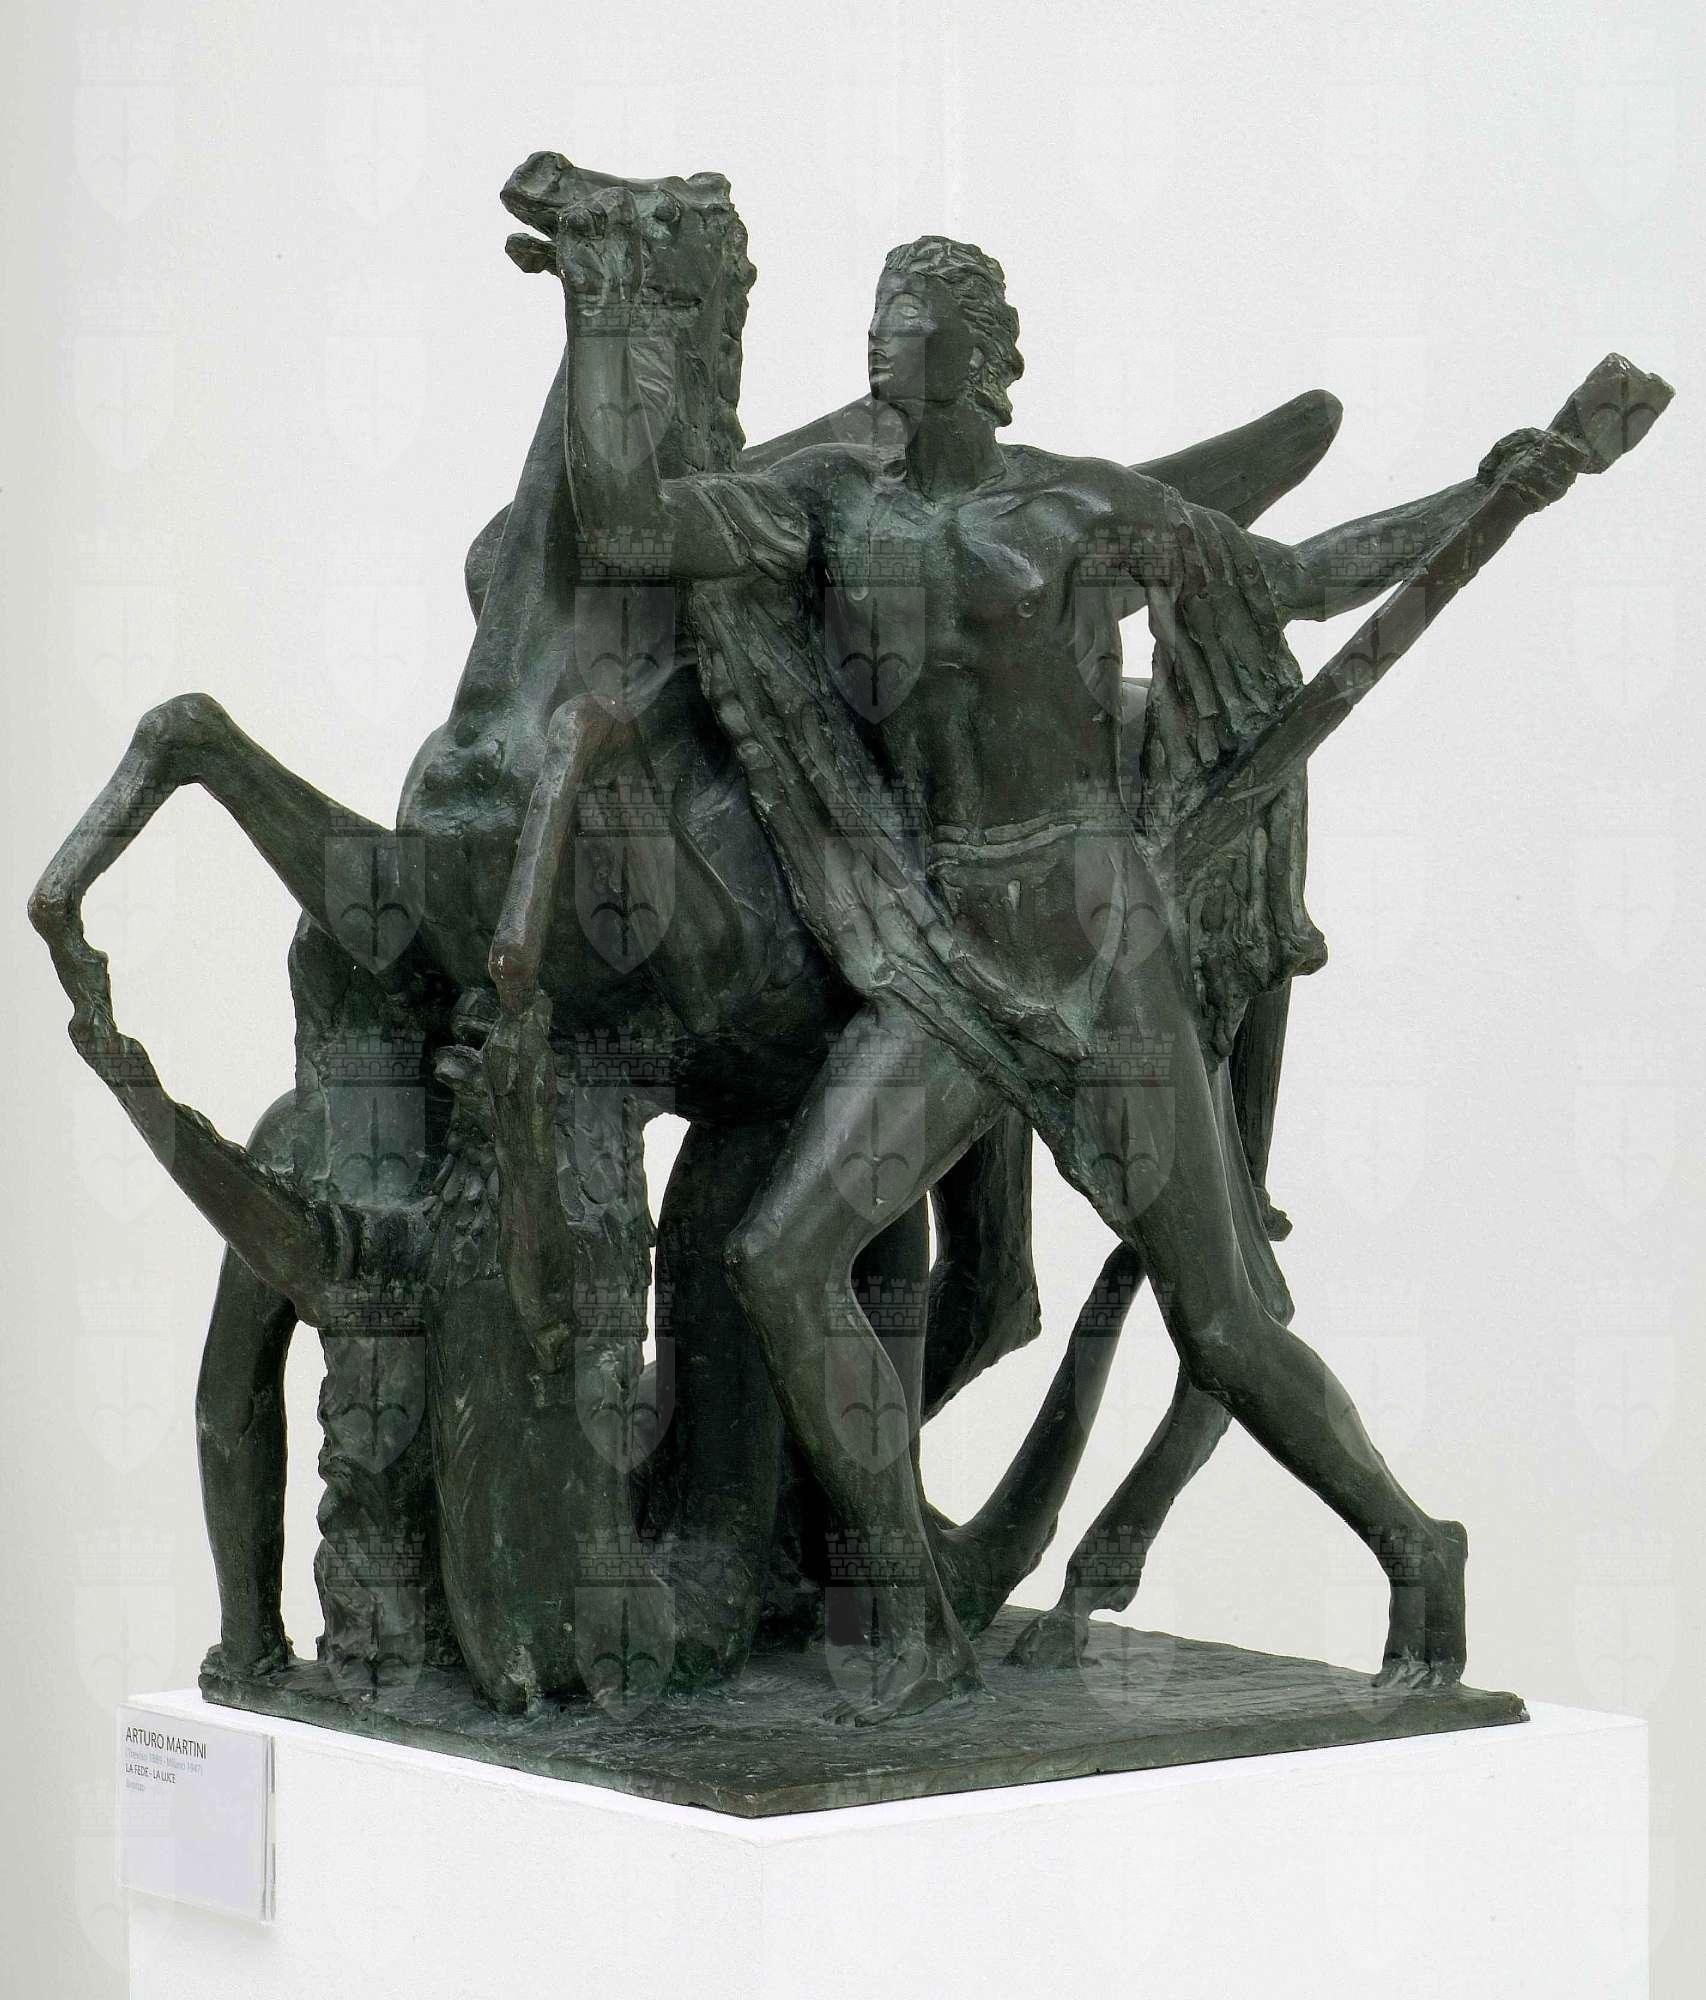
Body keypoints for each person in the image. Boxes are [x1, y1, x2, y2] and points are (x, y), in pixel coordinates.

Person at [554, 196, 1580, 1722]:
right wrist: (601, 317)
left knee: (1220, 1325)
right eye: (876, 323)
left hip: (1100, 951)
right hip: (942, 955)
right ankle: (907, 1613)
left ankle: (1413, 1546)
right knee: (779, 1256)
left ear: (978, 358)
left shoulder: (1080, 512)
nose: (879, 348)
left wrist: (1491, 494)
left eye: (909, 329)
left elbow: (1297, 579)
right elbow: (626, 527)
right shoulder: (826, 507)